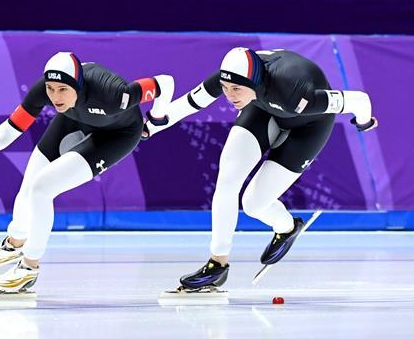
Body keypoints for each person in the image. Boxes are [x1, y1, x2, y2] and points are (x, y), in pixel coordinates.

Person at [145, 47, 377, 292]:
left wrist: (364, 122)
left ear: (253, 82)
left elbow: (359, 100)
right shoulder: (235, 77)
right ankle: (217, 264)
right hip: (262, 108)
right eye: (225, 88)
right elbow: (190, 103)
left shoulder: (295, 93)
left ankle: (287, 228)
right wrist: (149, 127)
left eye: (236, 89)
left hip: (308, 126)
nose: (229, 96)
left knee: (253, 204)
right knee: (227, 180)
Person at [0, 51, 173, 294]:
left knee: (42, 188)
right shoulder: (45, 90)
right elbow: (15, 124)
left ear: (78, 86)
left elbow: (165, 83)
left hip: (117, 134)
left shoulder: (114, 94)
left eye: (62, 89)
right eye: (51, 89)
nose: (55, 96)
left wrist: (155, 119)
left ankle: (29, 268)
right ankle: (14, 243)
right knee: (29, 185)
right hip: (73, 118)